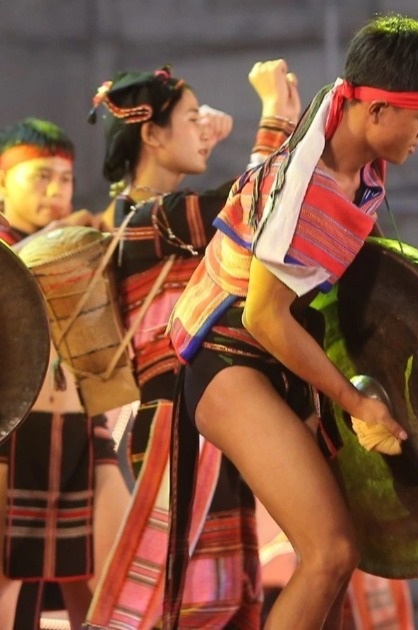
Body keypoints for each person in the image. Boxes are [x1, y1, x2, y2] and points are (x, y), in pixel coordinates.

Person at [164, 14, 418, 628]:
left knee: (344, 557)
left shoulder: (354, 151)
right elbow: (264, 317)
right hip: (228, 357)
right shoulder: (303, 187)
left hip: (279, 361)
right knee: (332, 551)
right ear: (374, 110)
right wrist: (353, 400)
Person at [83, 61, 300, 628]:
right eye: (190, 117)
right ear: (152, 135)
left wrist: (221, 129)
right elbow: (256, 207)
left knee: (220, 590)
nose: (204, 127)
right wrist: (275, 113)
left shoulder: (146, 219)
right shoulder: (149, 220)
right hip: (182, 424)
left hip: (202, 414)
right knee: (196, 598)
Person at [0, 118, 129, 628]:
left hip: (78, 426)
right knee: (6, 589)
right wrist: (45, 247)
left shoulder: (76, 244)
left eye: (64, 179)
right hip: (9, 433)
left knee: (112, 583)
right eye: (40, 178)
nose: (56, 192)